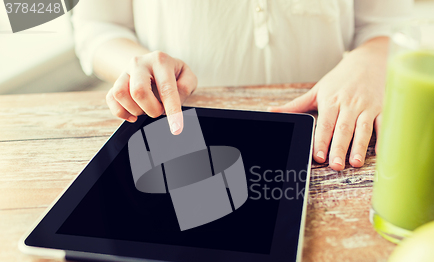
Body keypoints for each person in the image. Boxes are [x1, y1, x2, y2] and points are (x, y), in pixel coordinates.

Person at [73, 0, 412, 171]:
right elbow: (97, 26)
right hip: (181, 141)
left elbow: (390, 26)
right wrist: (138, 68)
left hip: (324, 133)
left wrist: (371, 59)